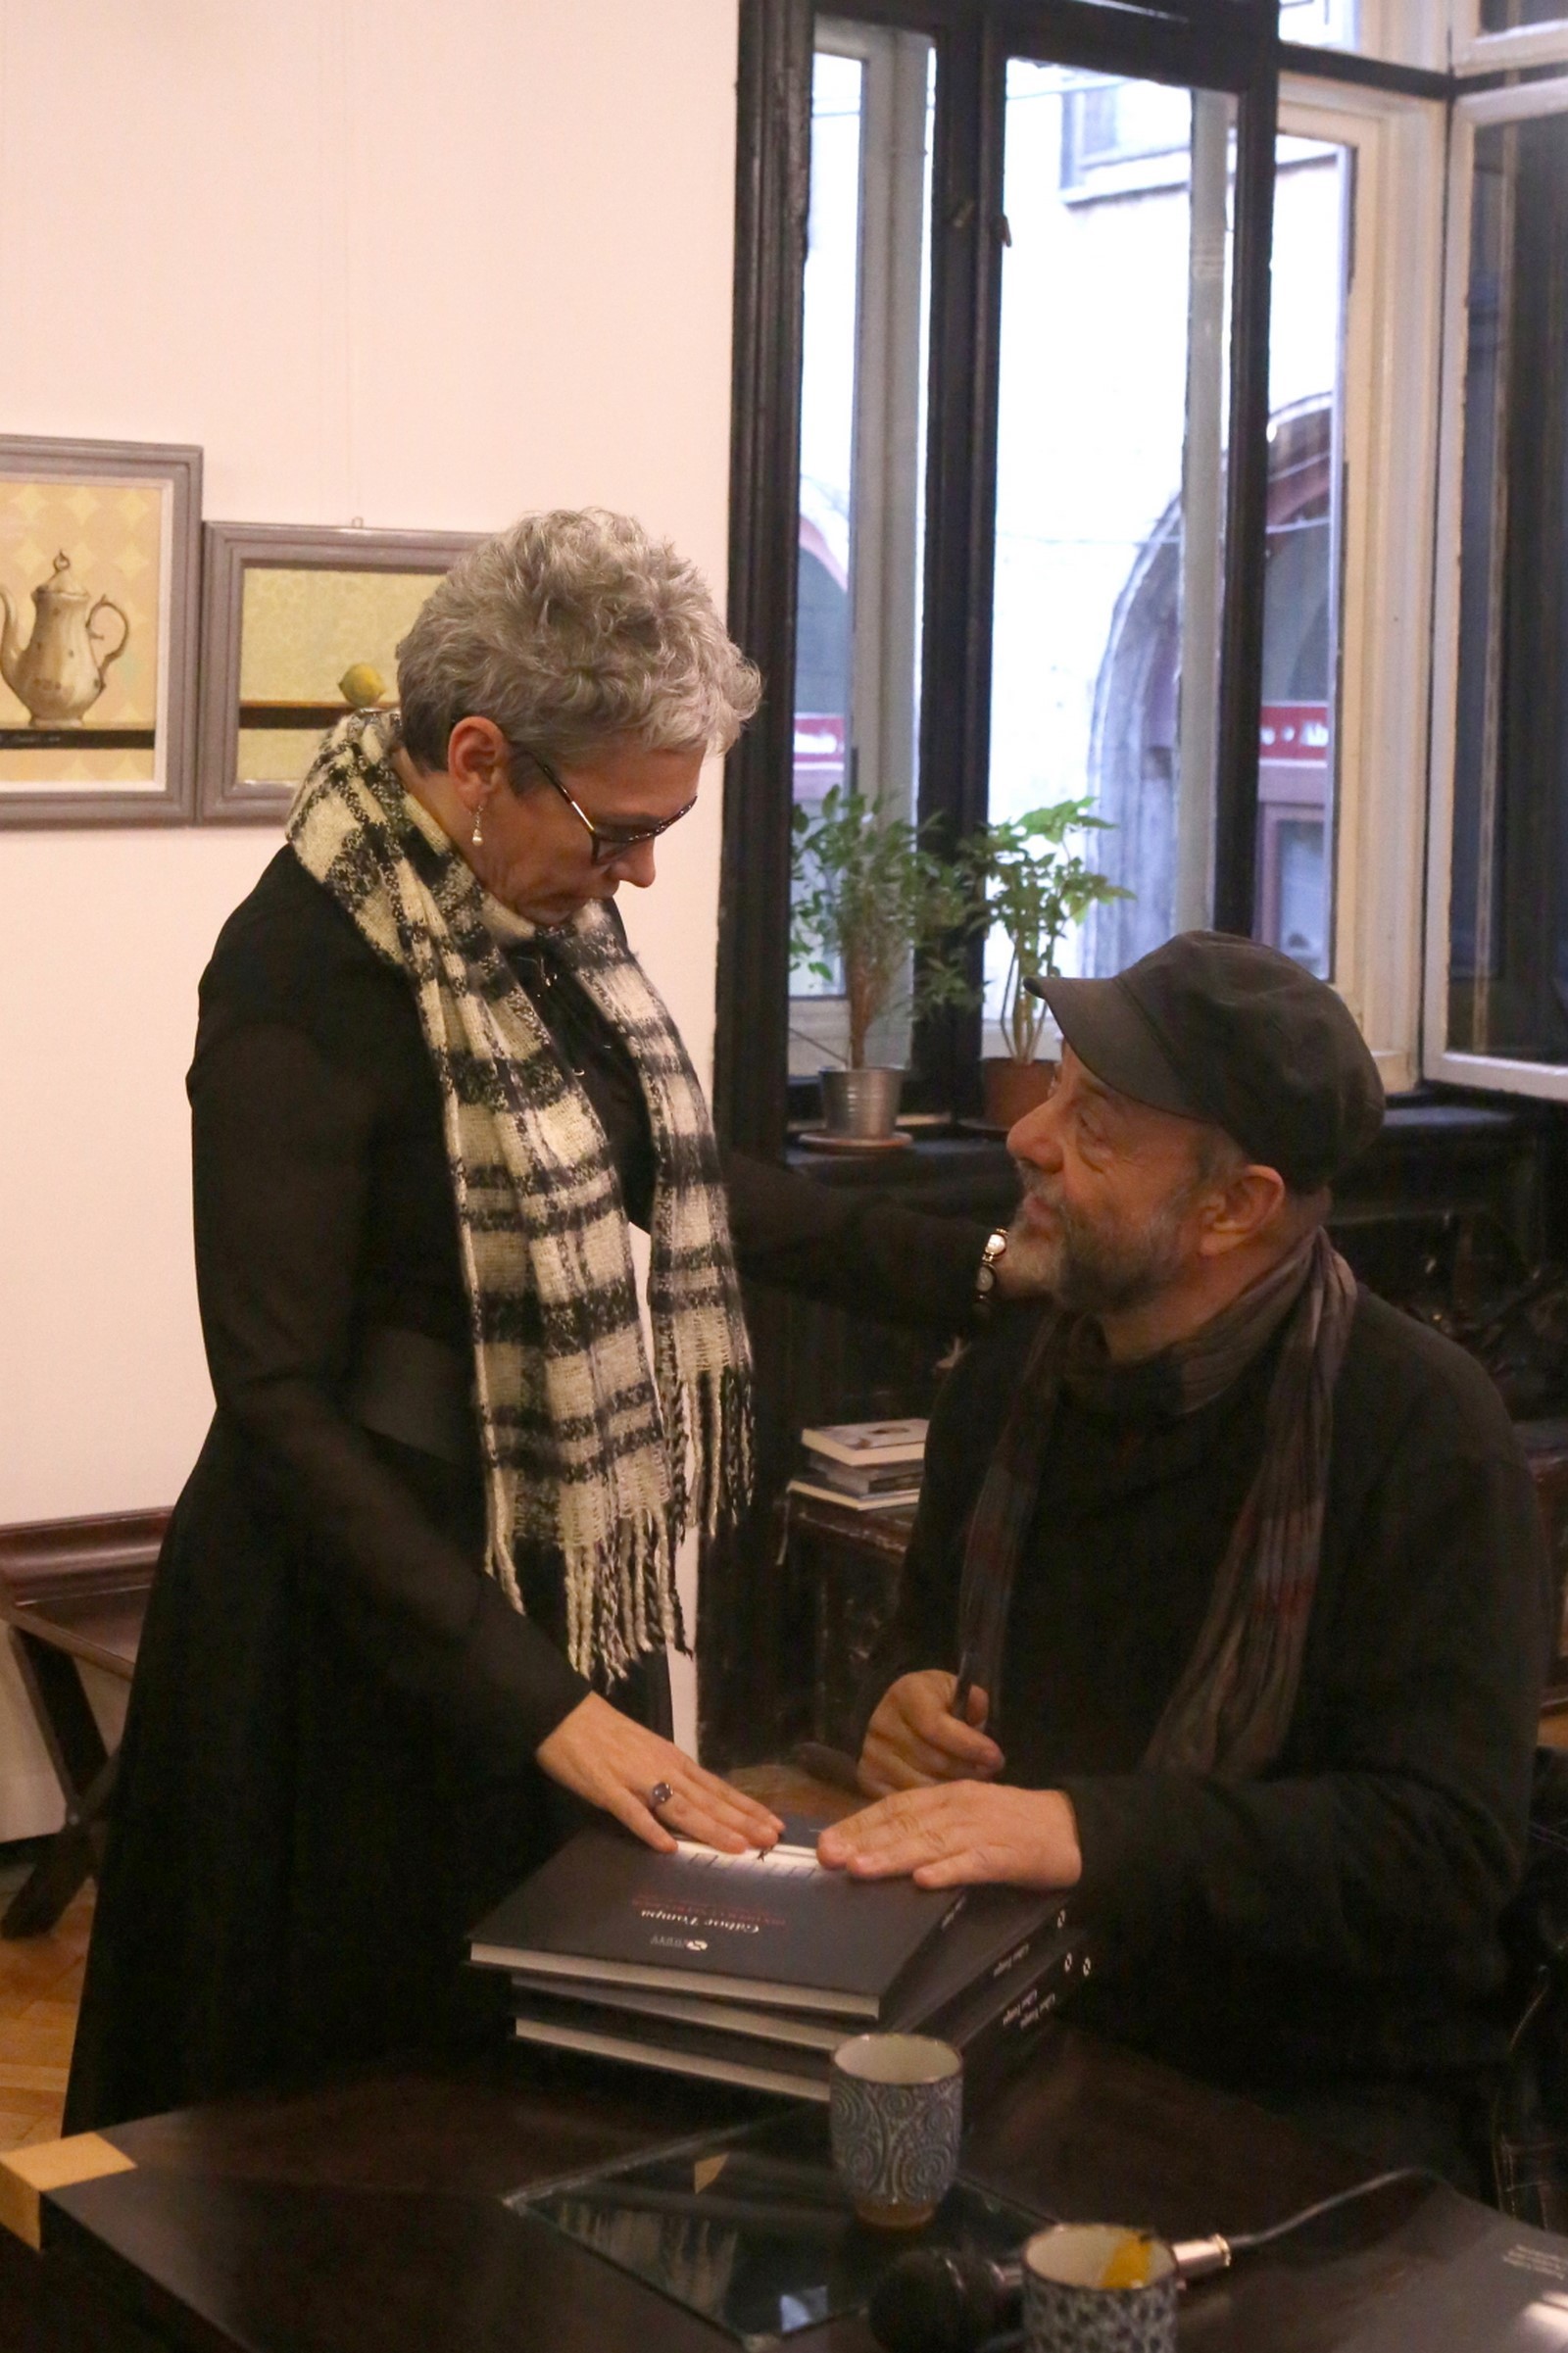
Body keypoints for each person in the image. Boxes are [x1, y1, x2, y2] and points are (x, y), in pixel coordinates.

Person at [64, 511, 990, 2133]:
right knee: (345, 2121)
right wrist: (543, 1706)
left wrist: (974, 1273)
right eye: (622, 830)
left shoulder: (529, 921)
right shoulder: (302, 966)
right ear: (480, 758)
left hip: (543, 1563)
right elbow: (277, 1399)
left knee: (553, 2081)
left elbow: (680, 1180)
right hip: (355, 1620)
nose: (640, 874)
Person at [819, 931, 1553, 2186]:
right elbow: (920, 1652)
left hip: (1317, 2093)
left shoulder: (1420, 1430)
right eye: (1053, 1092)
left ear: (1234, 1207)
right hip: (1021, 2006)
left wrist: (1085, 1831)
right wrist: (895, 1709)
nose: (1028, 1137)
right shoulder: (1008, 1382)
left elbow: (1438, 1851)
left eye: (1094, 1127)